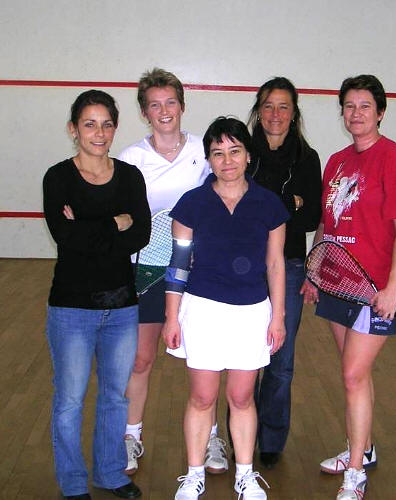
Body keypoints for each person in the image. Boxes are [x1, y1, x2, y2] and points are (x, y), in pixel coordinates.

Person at [301, 74, 396, 500]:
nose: (356, 113)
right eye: (349, 106)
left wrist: (392, 289)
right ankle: (363, 447)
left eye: (365, 106)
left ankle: (355, 473)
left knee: (353, 374)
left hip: (377, 290)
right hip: (339, 283)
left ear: (380, 112)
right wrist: (316, 271)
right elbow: (327, 223)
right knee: (355, 373)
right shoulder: (336, 162)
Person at [162, 117, 289, 500]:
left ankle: (245, 476)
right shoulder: (192, 203)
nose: (227, 160)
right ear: (208, 160)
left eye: (235, 151)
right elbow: (178, 265)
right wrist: (171, 316)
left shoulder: (269, 204)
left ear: (248, 155)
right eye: (218, 153)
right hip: (202, 310)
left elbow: (275, 264)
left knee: (241, 397)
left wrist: (278, 317)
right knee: (202, 398)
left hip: (251, 312)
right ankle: (194, 474)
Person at [43, 90, 150, 499]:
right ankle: (73, 483)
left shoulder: (130, 177)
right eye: (89, 124)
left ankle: (110, 474)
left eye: (106, 124)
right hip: (72, 308)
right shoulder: (58, 178)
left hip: (122, 307)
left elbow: (141, 234)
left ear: (115, 128)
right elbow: (66, 237)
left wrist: (89, 228)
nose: (99, 133)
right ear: (73, 129)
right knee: (70, 400)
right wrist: (115, 223)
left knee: (115, 398)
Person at [118, 68, 211, 474]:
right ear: (144, 112)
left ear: (182, 105)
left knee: (206, 361)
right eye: (154, 105)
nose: (164, 111)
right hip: (148, 270)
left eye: (170, 102)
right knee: (141, 358)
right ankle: (131, 436)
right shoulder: (131, 159)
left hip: (199, 269)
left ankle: (212, 438)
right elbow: (120, 214)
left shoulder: (205, 151)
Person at [246, 76, 322, 469]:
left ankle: (271, 438)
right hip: (243, 268)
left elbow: (310, 218)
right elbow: (234, 206)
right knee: (244, 357)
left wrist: (276, 205)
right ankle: (241, 434)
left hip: (289, 267)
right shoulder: (242, 151)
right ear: (258, 110)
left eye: (283, 107)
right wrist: (288, 203)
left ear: (294, 114)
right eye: (268, 106)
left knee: (281, 359)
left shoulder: (307, 158)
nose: (275, 114)